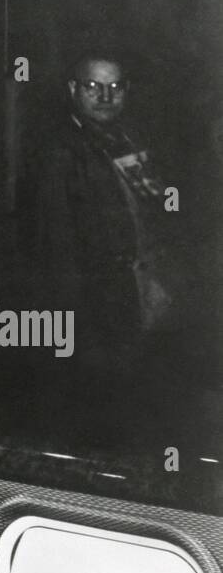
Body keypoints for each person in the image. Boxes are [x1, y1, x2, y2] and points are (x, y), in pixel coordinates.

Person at [28, 52, 188, 367]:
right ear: (73, 89)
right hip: (97, 306)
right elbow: (57, 248)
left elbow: (164, 209)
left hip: (147, 293)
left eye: (115, 86)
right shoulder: (60, 152)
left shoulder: (130, 138)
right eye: (93, 86)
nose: (105, 96)